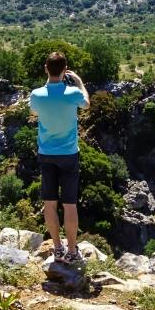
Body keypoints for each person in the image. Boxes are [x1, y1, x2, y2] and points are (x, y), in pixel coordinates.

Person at [29, 51, 89, 264]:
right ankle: (72, 250)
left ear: (46, 68)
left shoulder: (36, 95)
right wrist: (80, 82)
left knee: (50, 203)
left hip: (46, 154)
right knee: (70, 204)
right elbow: (86, 104)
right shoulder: (73, 93)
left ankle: (57, 248)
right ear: (65, 70)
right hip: (69, 154)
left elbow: (34, 113)